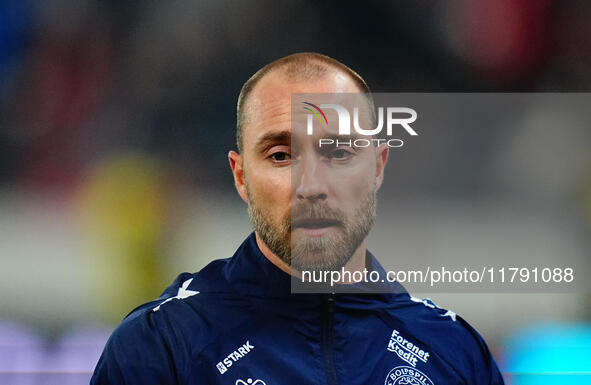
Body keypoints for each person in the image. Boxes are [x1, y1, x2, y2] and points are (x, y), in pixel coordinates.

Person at [91, 53, 505, 385]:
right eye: (280, 156)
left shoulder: (452, 352)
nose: (311, 185)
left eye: (339, 153)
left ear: (378, 167)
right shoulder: (160, 348)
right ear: (240, 177)